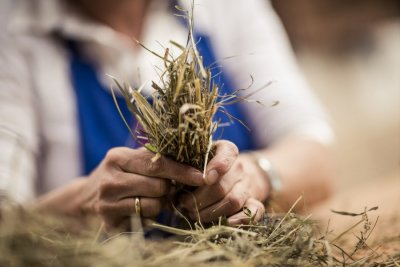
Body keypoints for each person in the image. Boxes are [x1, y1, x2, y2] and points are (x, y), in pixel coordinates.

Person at [0, 0, 334, 230]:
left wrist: (252, 178)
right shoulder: (13, 32)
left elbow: (316, 156)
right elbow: (7, 228)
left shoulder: (222, 6)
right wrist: (83, 207)